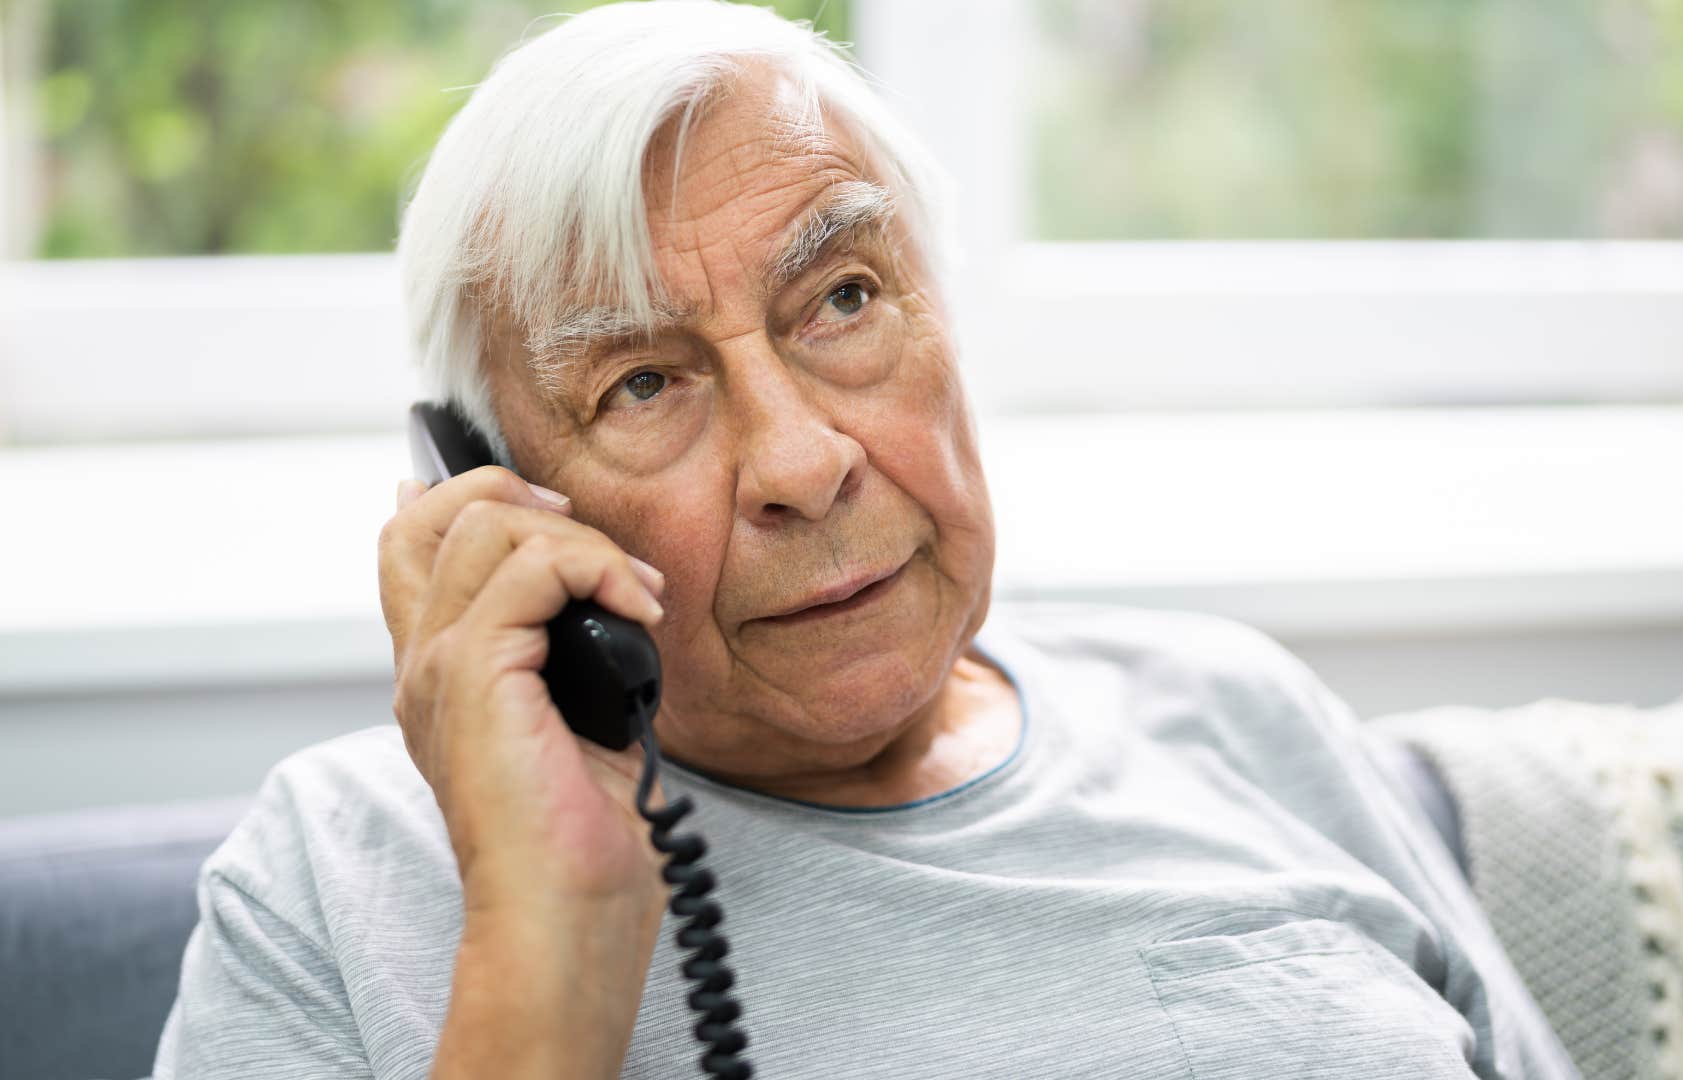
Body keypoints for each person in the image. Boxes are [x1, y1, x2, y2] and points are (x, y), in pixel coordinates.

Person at [151, 3, 1580, 1077]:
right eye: (640, 385)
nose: (799, 460)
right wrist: (546, 952)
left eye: (840, 298)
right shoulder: (330, 877)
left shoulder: (1234, 706)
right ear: (496, 495)